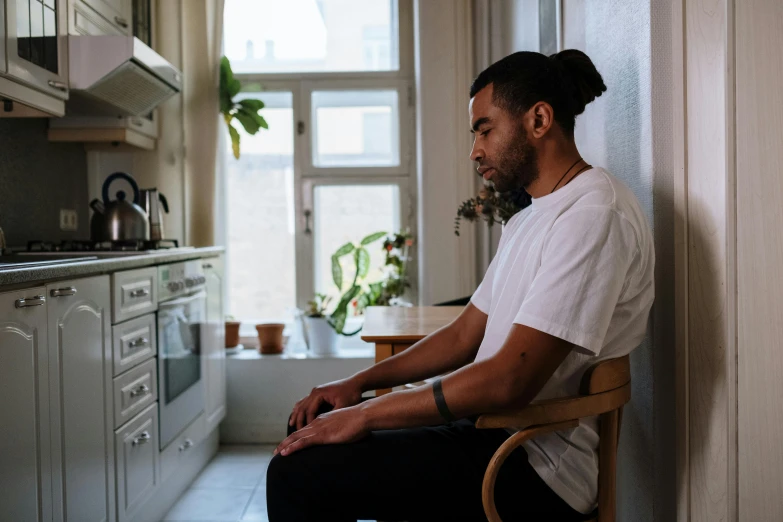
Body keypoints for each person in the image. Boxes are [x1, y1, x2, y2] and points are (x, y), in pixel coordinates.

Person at [266, 49, 655, 522]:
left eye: (485, 129)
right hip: (492, 433)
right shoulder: (530, 219)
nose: (474, 150)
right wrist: (357, 385)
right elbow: (464, 335)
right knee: (306, 432)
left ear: (538, 119)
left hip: (532, 463)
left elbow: (511, 380)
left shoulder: (594, 215)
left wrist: (366, 414)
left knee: (296, 470)